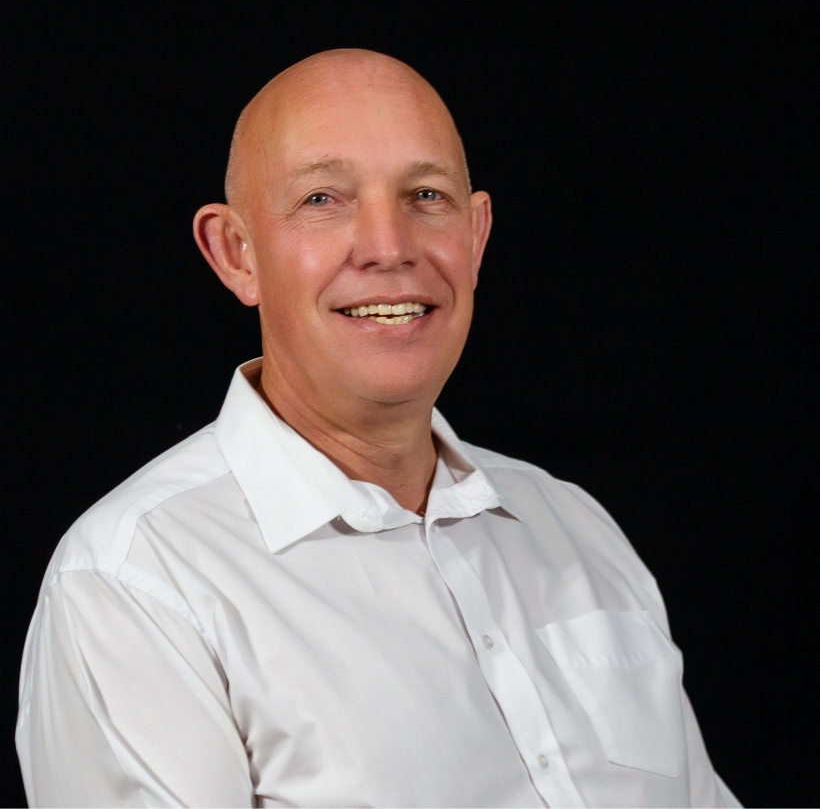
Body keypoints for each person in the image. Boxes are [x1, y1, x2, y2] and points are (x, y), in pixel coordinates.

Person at [16, 49, 739, 808]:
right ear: (236, 253)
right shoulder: (137, 584)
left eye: (426, 195)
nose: (390, 248)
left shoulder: (577, 529)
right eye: (323, 199)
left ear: (476, 236)